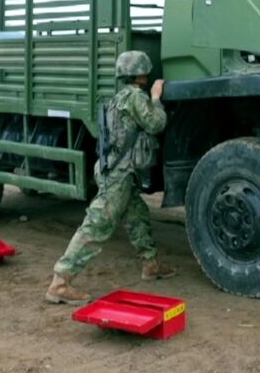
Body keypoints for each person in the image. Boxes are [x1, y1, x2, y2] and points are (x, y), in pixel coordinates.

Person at [45, 50, 177, 304]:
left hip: (119, 171)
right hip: (119, 174)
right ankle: (60, 282)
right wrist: (157, 98)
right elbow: (156, 124)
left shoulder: (119, 98)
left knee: (137, 216)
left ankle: (150, 264)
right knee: (96, 225)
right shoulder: (136, 97)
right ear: (141, 72)